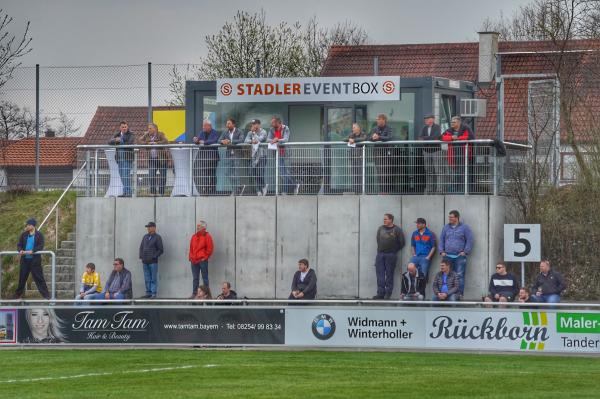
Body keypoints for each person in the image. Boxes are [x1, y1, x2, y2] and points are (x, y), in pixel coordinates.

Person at [438, 210, 473, 297]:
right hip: (447, 256)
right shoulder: (446, 227)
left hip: (459, 256)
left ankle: (459, 294)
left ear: (457, 218)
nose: (449, 219)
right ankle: (446, 293)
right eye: (449, 217)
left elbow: (470, 240)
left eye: (451, 217)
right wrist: (441, 251)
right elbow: (441, 239)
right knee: (446, 275)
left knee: (459, 275)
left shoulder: (465, 227)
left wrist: (465, 251)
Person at [15, 218, 50, 300]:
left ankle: (47, 296)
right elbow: (19, 244)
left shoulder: (39, 235)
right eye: (27, 225)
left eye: (28, 225)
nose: (27, 226)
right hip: (25, 260)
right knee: (22, 278)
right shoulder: (23, 234)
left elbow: (41, 246)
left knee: (39, 278)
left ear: (33, 226)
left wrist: (33, 251)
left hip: (35, 261)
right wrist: (20, 250)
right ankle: (17, 295)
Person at [373, 213, 405, 299]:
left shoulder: (397, 230)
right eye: (384, 219)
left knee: (389, 275)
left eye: (386, 219)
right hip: (380, 254)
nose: (384, 220)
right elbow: (378, 240)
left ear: (391, 220)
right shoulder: (380, 229)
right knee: (380, 275)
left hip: (391, 255)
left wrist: (393, 250)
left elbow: (402, 243)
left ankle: (388, 294)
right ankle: (380, 293)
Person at [441, 116, 475, 193]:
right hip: (453, 156)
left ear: (459, 122)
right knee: (454, 174)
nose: (452, 123)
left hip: (464, 155)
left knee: (463, 173)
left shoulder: (466, 128)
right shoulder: (449, 130)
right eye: (451, 122)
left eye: (454, 122)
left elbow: (470, 137)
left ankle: (464, 191)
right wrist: (451, 137)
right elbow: (441, 137)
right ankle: (454, 190)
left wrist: (458, 138)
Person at [268, 116, 297, 195]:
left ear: (278, 122)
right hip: (277, 154)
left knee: (285, 173)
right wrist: (273, 140)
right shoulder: (271, 129)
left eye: (273, 122)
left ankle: (285, 191)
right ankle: (294, 185)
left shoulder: (285, 128)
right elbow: (268, 139)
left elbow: (286, 139)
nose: (271, 124)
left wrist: (277, 140)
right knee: (282, 173)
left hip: (286, 154)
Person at [137, 123, 168, 196]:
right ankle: (153, 192)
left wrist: (156, 143)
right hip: (152, 159)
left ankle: (161, 193)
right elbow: (139, 141)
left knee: (163, 176)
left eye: (150, 128)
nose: (148, 130)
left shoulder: (160, 134)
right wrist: (147, 142)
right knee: (151, 175)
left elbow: (166, 141)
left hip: (161, 159)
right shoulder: (147, 135)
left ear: (155, 129)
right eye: (148, 128)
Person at [108, 121, 135, 197]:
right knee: (122, 175)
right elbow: (109, 142)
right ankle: (125, 192)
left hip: (127, 158)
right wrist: (115, 140)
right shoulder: (117, 134)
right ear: (120, 128)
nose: (124, 128)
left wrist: (121, 141)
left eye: (125, 127)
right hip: (119, 159)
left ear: (127, 127)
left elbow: (130, 143)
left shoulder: (131, 134)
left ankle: (128, 193)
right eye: (122, 127)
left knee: (126, 175)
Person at [193, 119, 220, 195]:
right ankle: (206, 189)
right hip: (204, 157)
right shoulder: (202, 132)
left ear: (209, 126)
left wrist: (204, 142)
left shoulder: (215, 132)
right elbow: (198, 140)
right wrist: (196, 140)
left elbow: (214, 140)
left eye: (205, 125)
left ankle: (213, 190)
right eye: (203, 125)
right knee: (205, 174)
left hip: (213, 158)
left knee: (212, 174)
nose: (203, 127)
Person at [188, 221, 214, 298]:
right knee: (195, 278)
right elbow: (191, 248)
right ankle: (195, 293)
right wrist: (190, 257)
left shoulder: (207, 236)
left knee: (205, 278)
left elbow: (210, 249)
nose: (197, 228)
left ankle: (207, 295)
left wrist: (204, 258)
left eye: (199, 226)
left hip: (202, 261)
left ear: (204, 228)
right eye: (197, 226)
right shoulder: (194, 236)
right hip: (194, 261)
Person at [219, 118, 245, 194]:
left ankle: (235, 190)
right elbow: (218, 140)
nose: (227, 125)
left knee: (236, 173)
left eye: (229, 123)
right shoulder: (225, 132)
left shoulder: (239, 131)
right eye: (227, 124)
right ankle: (239, 186)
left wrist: (230, 142)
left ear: (233, 124)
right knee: (228, 173)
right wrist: (222, 141)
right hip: (229, 154)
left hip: (237, 154)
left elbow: (241, 140)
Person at [138, 221, 164, 299]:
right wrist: (141, 256)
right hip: (145, 261)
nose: (148, 228)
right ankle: (148, 293)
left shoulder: (157, 237)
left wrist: (154, 256)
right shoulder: (145, 237)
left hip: (153, 262)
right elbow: (141, 247)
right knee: (147, 278)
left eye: (149, 227)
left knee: (153, 278)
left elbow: (160, 249)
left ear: (154, 228)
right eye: (147, 227)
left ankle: (153, 293)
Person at [370, 114, 393, 193]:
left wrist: (379, 137)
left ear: (384, 120)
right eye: (377, 119)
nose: (377, 121)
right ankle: (382, 190)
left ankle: (386, 190)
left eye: (379, 119)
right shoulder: (374, 128)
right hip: (377, 153)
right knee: (379, 172)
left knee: (386, 171)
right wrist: (373, 137)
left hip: (386, 152)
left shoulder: (388, 128)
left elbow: (389, 137)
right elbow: (369, 138)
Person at [419, 114, 442, 194]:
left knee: (438, 170)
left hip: (436, 151)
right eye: (425, 119)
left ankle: (439, 189)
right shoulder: (424, 128)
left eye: (427, 119)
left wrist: (425, 138)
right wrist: (428, 138)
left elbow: (436, 137)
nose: (425, 121)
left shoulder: (437, 127)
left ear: (432, 120)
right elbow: (420, 137)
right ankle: (429, 189)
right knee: (428, 171)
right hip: (426, 151)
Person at [244, 119, 268, 196]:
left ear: (259, 124)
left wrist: (254, 133)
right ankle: (259, 191)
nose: (254, 125)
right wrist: (251, 140)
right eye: (253, 124)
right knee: (253, 173)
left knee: (260, 173)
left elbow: (260, 139)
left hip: (262, 156)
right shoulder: (250, 132)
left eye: (256, 124)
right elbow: (246, 140)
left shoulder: (263, 132)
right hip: (253, 156)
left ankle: (264, 186)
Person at [409, 217, 436, 284]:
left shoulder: (430, 234)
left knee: (423, 275)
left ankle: (421, 292)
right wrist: (414, 255)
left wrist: (428, 257)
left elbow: (433, 247)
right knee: (410, 272)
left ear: (424, 225)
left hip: (425, 257)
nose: (417, 225)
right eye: (417, 223)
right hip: (416, 257)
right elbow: (412, 245)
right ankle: (412, 290)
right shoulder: (415, 233)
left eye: (419, 223)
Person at [344, 123, 368, 194]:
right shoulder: (352, 135)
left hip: (360, 158)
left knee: (360, 175)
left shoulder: (363, 134)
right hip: (352, 157)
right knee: (354, 175)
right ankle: (355, 191)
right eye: (352, 128)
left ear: (358, 128)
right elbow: (344, 139)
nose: (353, 129)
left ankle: (361, 191)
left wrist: (354, 140)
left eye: (354, 127)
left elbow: (364, 139)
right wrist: (349, 139)